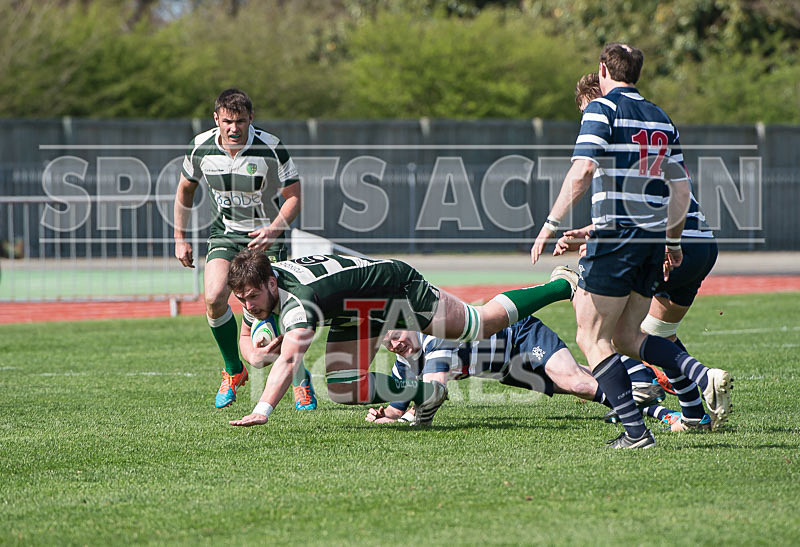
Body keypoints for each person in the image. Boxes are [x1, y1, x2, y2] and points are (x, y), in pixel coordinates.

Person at [531, 44, 731, 448]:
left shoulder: (601, 109)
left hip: (620, 237)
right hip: (653, 239)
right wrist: (671, 241)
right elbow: (680, 188)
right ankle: (697, 374)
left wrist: (550, 224)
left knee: (591, 337)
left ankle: (637, 432)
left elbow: (583, 169)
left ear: (603, 69)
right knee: (626, 335)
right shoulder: (661, 117)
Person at [225, 250, 579, 427]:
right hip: (355, 308)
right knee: (343, 388)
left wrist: (262, 410)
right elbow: (247, 335)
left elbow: (289, 360)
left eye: (253, 297)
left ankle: (561, 283)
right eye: (243, 299)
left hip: (396, 287)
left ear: (272, 283)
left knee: (480, 323)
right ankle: (429, 393)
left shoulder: (297, 302)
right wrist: (254, 357)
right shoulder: (260, 282)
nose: (249, 306)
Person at [561, 72, 718, 432]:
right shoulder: (649, 136)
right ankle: (694, 413)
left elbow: (633, 214)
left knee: (615, 333)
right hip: (702, 242)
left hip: (666, 242)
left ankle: (649, 390)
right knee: (655, 330)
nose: (588, 124)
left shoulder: (610, 140)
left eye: (588, 114)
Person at [173, 88, 315, 410]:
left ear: (251, 118)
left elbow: (294, 196)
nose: (233, 128)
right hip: (224, 235)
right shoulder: (200, 148)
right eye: (227, 121)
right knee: (212, 299)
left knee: (275, 310)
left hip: (266, 238)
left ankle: (299, 378)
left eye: (239, 121)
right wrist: (179, 237)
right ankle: (234, 371)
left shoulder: (271, 148)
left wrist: (274, 228)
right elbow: (184, 191)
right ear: (216, 119)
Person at [365, 319, 677, 425]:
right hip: (505, 368)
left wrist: (414, 415)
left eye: (396, 336)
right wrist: (385, 415)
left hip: (520, 334)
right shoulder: (405, 359)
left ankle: (641, 404)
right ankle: (641, 378)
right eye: (386, 343)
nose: (394, 345)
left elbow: (433, 393)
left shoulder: (438, 338)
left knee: (575, 382)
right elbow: (399, 405)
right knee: (575, 381)